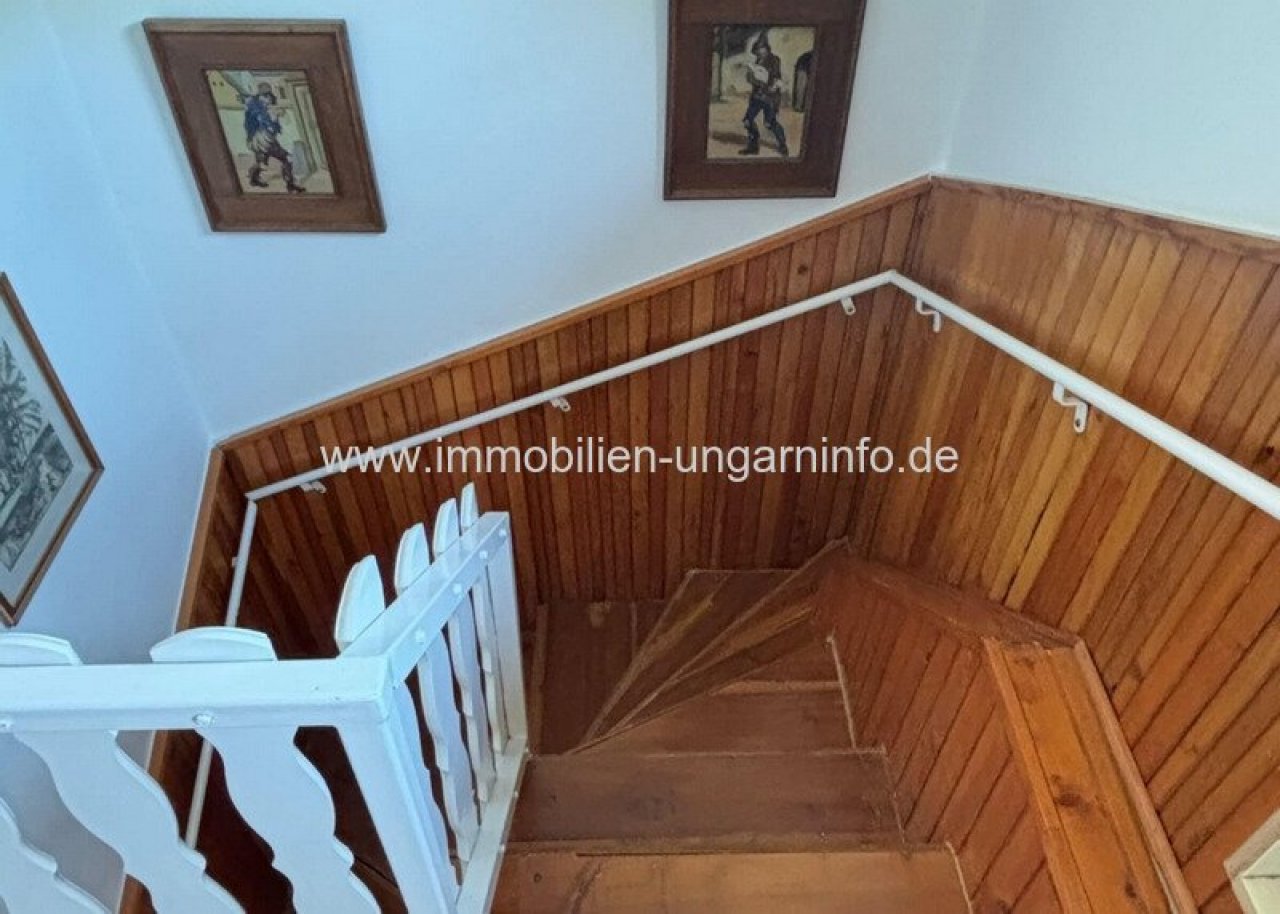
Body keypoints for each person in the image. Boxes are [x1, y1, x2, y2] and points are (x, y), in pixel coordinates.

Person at [241, 82, 305, 193]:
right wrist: (272, 116)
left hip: (264, 140)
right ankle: (290, 185)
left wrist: (275, 117)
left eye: (269, 96)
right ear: (260, 96)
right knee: (287, 158)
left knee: (262, 163)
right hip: (262, 140)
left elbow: (273, 126)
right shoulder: (255, 108)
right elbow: (261, 122)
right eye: (265, 96)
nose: (268, 99)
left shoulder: (260, 107)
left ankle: (254, 178)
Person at [740, 34, 789, 157]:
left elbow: (776, 77)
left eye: (761, 49)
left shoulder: (774, 59)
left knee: (770, 123)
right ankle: (753, 147)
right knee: (748, 121)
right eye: (757, 50)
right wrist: (751, 77)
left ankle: (782, 145)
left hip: (769, 97)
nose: (759, 52)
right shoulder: (758, 60)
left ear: (766, 49)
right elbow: (755, 79)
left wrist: (772, 85)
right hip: (757, 96)